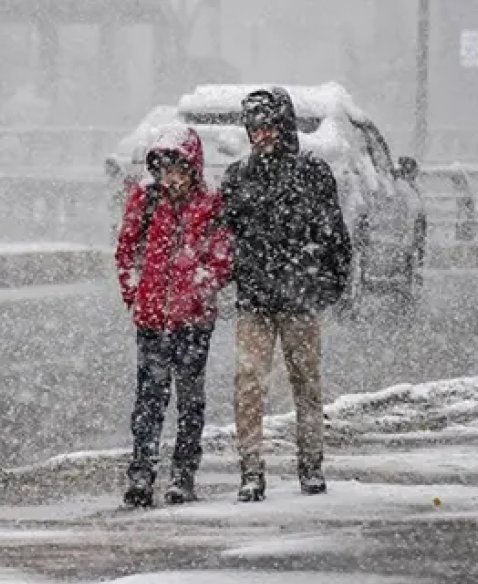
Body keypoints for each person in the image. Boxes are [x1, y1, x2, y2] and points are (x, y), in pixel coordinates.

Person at [219, 88, 353, 501]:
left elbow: (334, 234)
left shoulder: (312, 173)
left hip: (297, 298)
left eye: (267, 127)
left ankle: (310, 465)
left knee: (305, 383)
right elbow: (225, 236)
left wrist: (327, 286)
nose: (260, 136)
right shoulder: (238, 176)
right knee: (249, 383)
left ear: (282, 126)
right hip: (257, 299)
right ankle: (252, 470)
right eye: (254, 128)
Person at [114, 125, 232, 507]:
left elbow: (222, 257)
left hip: (193, 322)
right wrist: (135, 292)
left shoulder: (210, 204)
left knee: (189, 399)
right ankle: (142, 473)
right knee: (148, 400)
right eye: (164, 168)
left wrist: (198, 289)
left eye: (178, 168)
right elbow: (126, 250)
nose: (171, 177)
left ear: (192, 167)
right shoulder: (146, 202)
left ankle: (183, 473)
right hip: (152, 320)